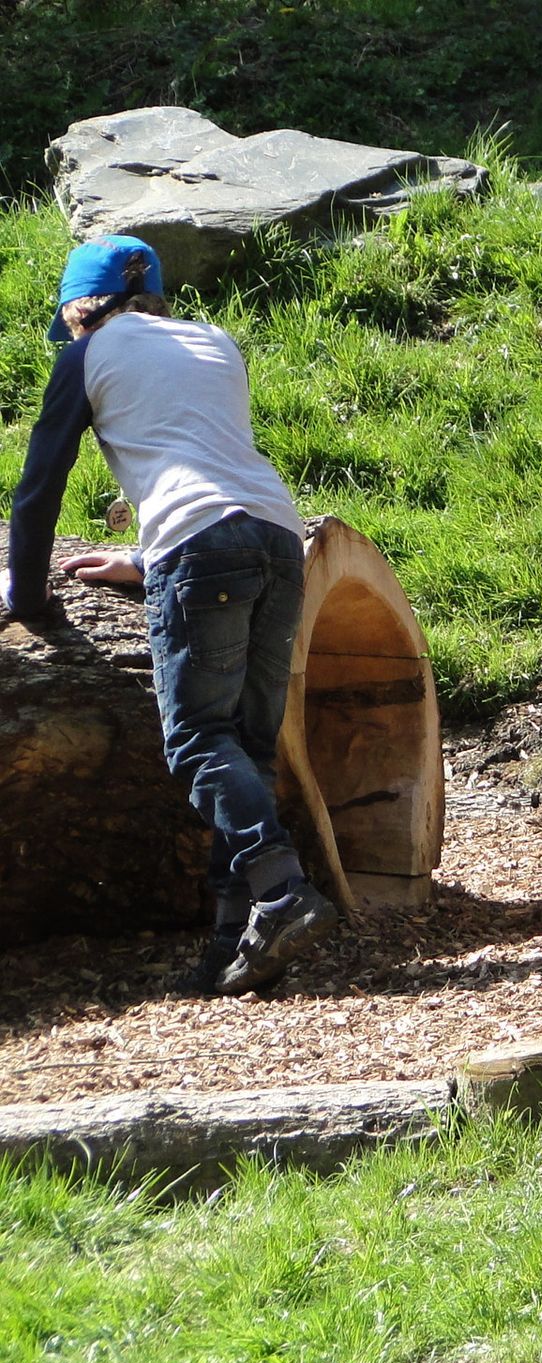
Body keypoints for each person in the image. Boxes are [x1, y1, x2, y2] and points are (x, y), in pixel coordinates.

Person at [1, 234, 337, 994]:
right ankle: (235, 941)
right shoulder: (214, 341)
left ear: (81, 309)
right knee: (246, 743)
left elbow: (37, 491)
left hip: (200, 546)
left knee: (195, 741)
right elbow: (207, 458)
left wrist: (26, 597)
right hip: (279, 540)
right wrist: (146, 559)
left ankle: (282, 891)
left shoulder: (86, 356)